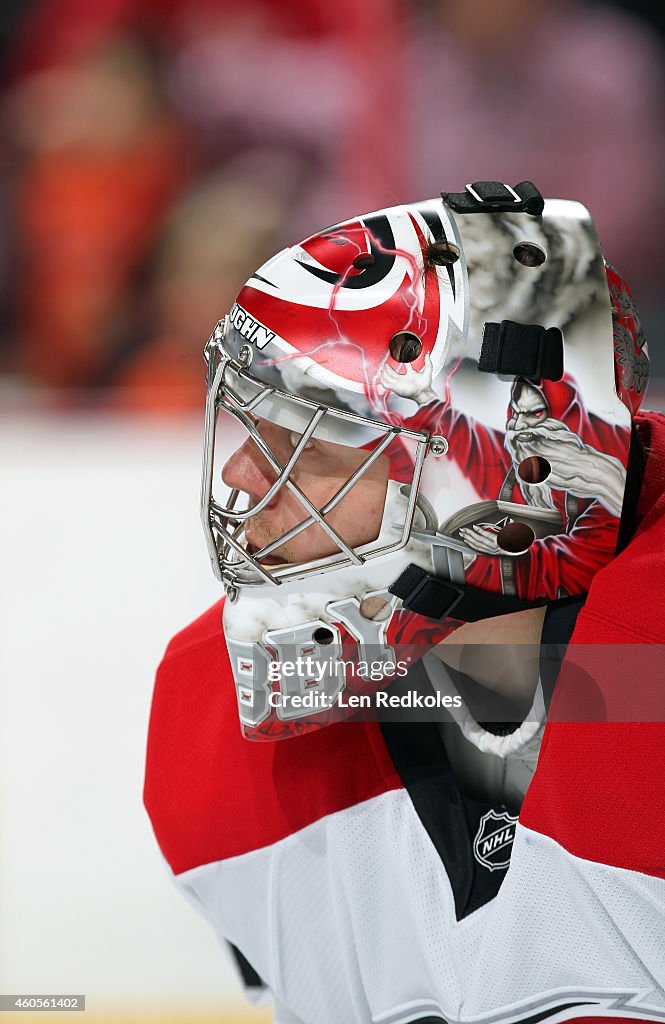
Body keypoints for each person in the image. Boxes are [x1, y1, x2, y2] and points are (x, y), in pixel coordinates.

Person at [144, 182, 665, 1020]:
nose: (243, 476)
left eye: (306, 443)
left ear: (503, 474)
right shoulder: (206, 721)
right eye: (252, 431)